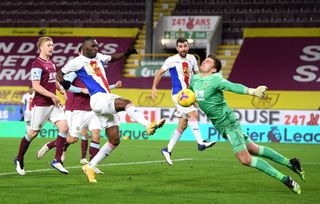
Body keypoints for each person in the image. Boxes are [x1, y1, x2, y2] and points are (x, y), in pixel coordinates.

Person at [188, 54, 305, 194]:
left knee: (245, 159)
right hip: (220, 125)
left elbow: (233, 86)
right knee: (254, 149)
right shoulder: (195, 79)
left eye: (208, 62)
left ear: (213, 69)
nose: (204, 62)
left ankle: (285, 179)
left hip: (228, 123)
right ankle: (290, 163)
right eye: (205, 60)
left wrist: (253, 91)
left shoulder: (215, 79)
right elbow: (189, 95)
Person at [57, 36, 166, 182]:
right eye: (93, 46)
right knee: (127, 102)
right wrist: (63, 83)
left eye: (97, 46)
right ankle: (148, 125)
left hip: (103, 98)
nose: (96, 48)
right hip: (97, 97)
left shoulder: (98, 57)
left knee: (114, 140)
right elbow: (59, 74)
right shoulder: (76, 62)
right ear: (85, 48)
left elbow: (112, 58)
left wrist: (126, 53)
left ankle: (90, 166)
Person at [152, 37, 215, 165]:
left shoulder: (192, 59)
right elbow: (159, 73)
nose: (183, 49)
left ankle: (167, 150)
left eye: (185, 46)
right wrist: (154, 87)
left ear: (188, 47)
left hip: (189, 93)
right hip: (179, 94)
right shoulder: (171, 60)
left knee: (183, 125)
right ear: (177, 48)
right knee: (193, 114)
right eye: (180, 46)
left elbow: (197, 75)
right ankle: (200, 142)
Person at [14, 36, 69, 175]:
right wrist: (53, 95)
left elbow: (53, 80)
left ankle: (57, 160)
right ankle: (19, 159)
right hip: (42, 104)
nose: (52, 47)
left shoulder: (51, 63)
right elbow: (35, 86)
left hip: (53, 104)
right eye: (49, 45)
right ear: (41, 48)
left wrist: (61, 90)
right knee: (33, 132)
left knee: (64, 127)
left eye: (52, 45)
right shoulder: (36, 64)